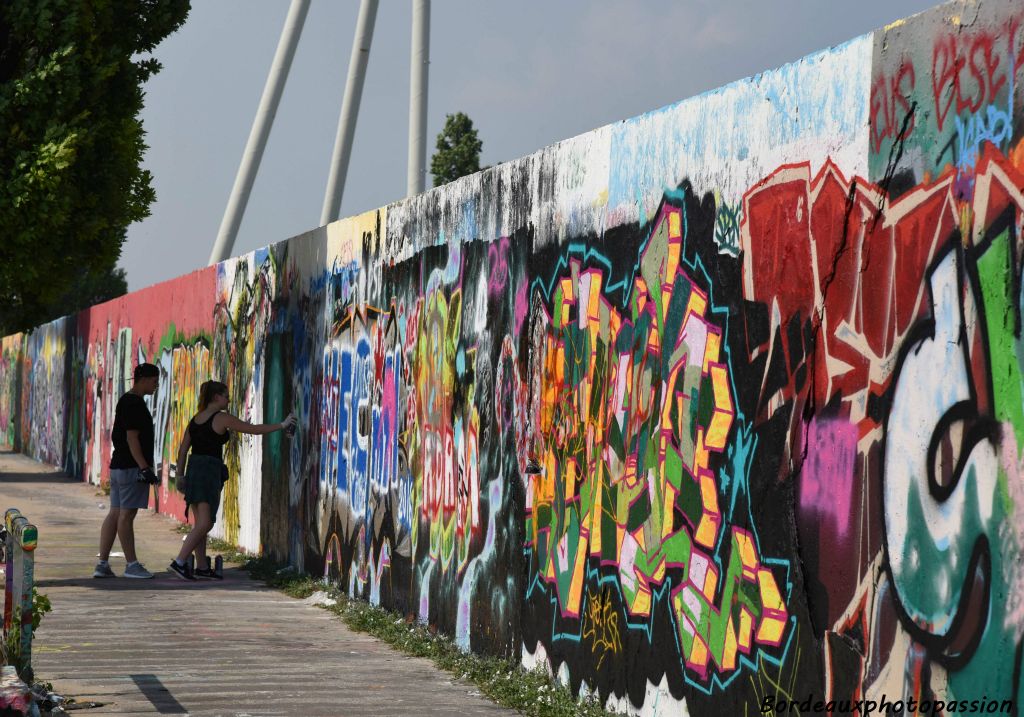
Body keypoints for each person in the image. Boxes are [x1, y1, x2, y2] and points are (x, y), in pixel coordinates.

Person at [169, 380, 295, 580]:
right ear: (216, 397)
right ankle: (180, 561)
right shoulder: (221, 418)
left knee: (199, 522)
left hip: (194, 470)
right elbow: (252, 429)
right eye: (226, 396)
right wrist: (282, 425)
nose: (228, 399)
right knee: (206, 523)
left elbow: (183, 450)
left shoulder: (196, 419)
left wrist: (180, 476)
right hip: (208, 471)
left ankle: (201, 566)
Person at [93, 363, 161, 579]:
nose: (156, 385)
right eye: (154, 380)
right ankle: (131, 565)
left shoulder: (127, 401)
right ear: (143, 379)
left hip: (118, 466)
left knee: (115, 513)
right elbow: (132, 438)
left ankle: (102, 564)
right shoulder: (133, 404)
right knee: (126, 515)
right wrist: (144, 467)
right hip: (131, 468)